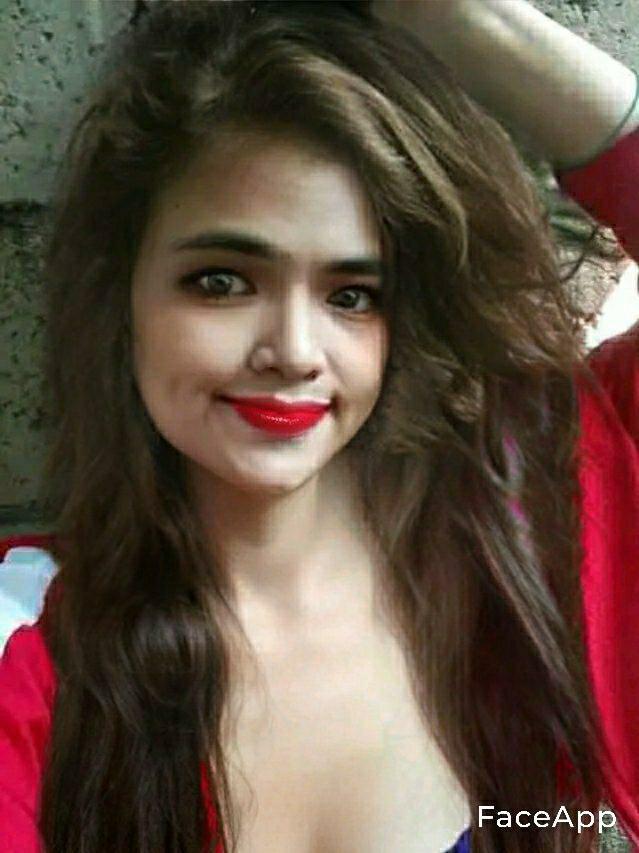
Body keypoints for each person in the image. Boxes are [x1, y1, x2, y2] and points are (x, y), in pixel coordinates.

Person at [0, 1, 638, 851]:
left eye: (351, 295)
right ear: (122, 296)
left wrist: (455, 18)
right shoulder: (28, 649)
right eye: (222, 281)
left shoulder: (534, 529)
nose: (295, 352)